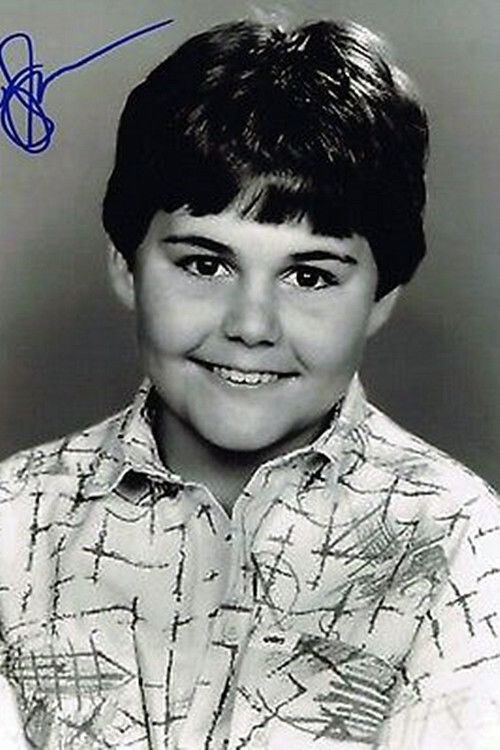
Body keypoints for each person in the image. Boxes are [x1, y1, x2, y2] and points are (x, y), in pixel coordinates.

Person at [0, 17, 498, 750]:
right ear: (126, 267)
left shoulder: (462, 541)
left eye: (310, 276)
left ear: (381, 298)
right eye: (205, 264)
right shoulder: (15, 523)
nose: (252, 326)